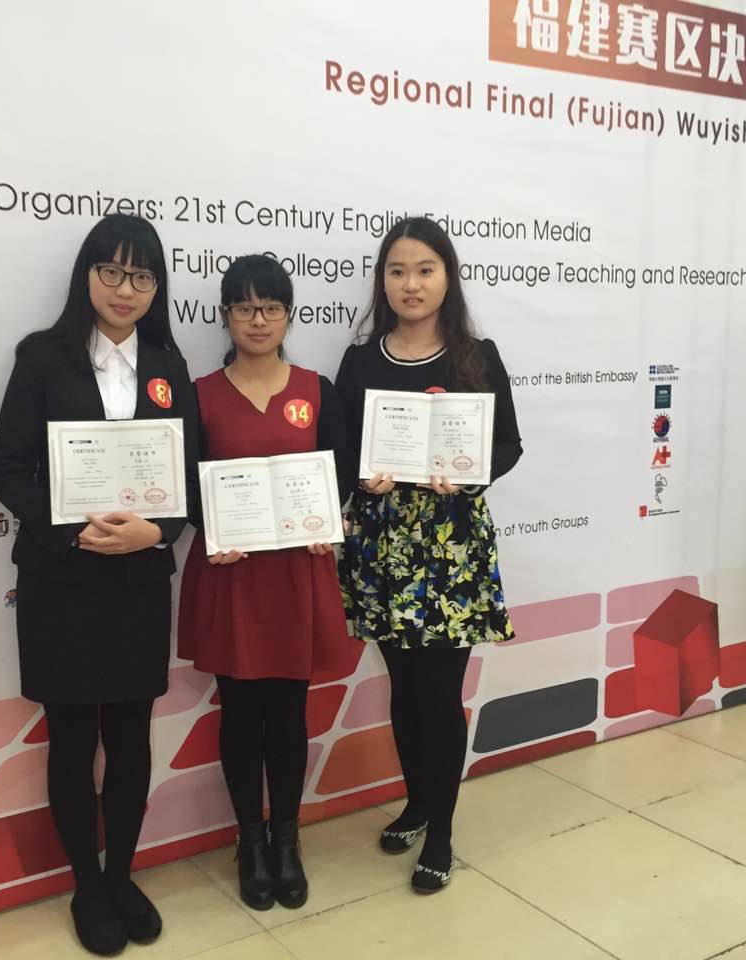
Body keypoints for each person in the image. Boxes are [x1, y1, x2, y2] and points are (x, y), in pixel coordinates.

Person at [0, 214, 198, 955]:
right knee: (73, 738)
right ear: (87, 275)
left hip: (138, 580)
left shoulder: (169, 363)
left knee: (132, 738)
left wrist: (158, 531)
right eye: (111, 271)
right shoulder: (42, 357)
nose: (124, 288)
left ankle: (120, 876)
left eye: (142, 275)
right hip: (62, 580)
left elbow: (188, 477)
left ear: (157, 287)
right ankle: (86, 885)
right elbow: (7, 469)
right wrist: (72, 529)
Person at [335, 216, 523, 893]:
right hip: (382, 545)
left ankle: (440, 831)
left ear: (448, 277)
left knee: (439, 696)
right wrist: (363, 479)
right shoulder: (361, 360)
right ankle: (416, 802)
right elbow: (340, 449)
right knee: (404, 689)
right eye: (397, 271)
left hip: (450, 548)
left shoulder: (477, 356)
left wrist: (467, 475)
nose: (410, 284)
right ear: (382, 282)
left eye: (424, 270)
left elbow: (507, 445)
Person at [176, 254, 354, 911]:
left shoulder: (317, 389)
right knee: (241, 716)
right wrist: (211, 527)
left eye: (271, 308)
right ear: (225, 314)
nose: (258, 320)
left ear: (288, 315)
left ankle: (287, 839)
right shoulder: (198, 394)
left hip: (296, 575)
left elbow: (338, 475)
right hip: (233, 576)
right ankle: (249, 842)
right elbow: (186, 483)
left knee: (288, 715)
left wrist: (329, 519)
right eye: (245, 308)